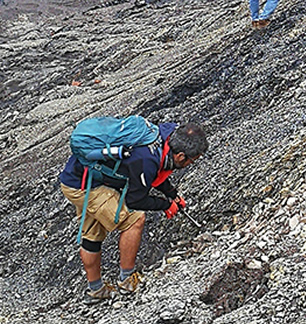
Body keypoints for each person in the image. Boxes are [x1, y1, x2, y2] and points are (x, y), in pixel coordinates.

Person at [59, 120, 208, 301]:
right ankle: (127, 281)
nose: (191, 164)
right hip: (84, 186)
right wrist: (166, 205)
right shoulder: (147, 158)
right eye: (192, 161)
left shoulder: (164, 136)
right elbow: (136, 199)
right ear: (181, 156)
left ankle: (96, 290)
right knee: (135, 219)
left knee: (93, 234)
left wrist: (171, 194)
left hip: (81, 175)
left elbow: (154, 172)